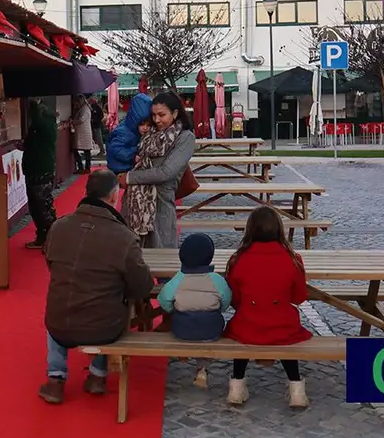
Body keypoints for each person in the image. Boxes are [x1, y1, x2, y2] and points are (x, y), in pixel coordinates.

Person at [39, 169, 154, 404]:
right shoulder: (123, 237)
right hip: (103, 328)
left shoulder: (59, 228)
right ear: (114, 195)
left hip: (60, 321)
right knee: (110, 304)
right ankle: (97, 375)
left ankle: (55, 378)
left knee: (60, 303)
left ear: (86, 192)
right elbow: (142, 286)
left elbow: (51, 262)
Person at [222, 206, 312, 408]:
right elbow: (299, 298)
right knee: (284, 333)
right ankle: (297, 390)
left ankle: (236, 386)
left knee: (242, 328)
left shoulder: (238, 259)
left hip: (248, 324)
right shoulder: (293, 259)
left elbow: (234, 300)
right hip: (283, 326)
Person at [117, 91, 196, 248]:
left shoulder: (185, 137)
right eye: (154, 115)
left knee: (163, 256)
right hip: (135, 203)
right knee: (133, 257)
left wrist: (129, 178)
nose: (157, 120)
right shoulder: (150, 133)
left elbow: (166, 172)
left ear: (175, 113)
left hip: (160, 204)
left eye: (162, 115)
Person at [157, 233, 231, 387]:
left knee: (187, 325)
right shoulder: (217, 279)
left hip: (182, 329)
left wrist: (173, 309)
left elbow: (163, 300)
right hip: (212, 329)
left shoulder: (178, 279)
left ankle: (184, 355)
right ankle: (202, 368)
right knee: (205, 331)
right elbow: (226, 301)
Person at [22, 98, 58, 250]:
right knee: (39, 205)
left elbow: (36, 121)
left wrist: (33, 103)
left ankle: (49, 237)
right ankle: (45, 235)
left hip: (40, 170)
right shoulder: (44, 128)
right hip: (37, 168)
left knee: (42, 206)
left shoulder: (45, 126)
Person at [106, 93, 152, 174]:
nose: (145, 128)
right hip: (120, 169)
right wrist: (132, 156)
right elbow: (115, 149)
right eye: (141, 124)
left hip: (128, 167)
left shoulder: (135, 131)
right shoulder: (124, 132)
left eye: (148, 125)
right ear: (135, 121)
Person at [70, 95, 94, 174]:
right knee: (78, 150)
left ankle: (86, 168)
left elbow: (81, 120)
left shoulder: (85, 109)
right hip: (82, 133)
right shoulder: (82, 108)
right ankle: (82, 167)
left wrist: (72, 121)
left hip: (85, 133)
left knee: (86, 151)